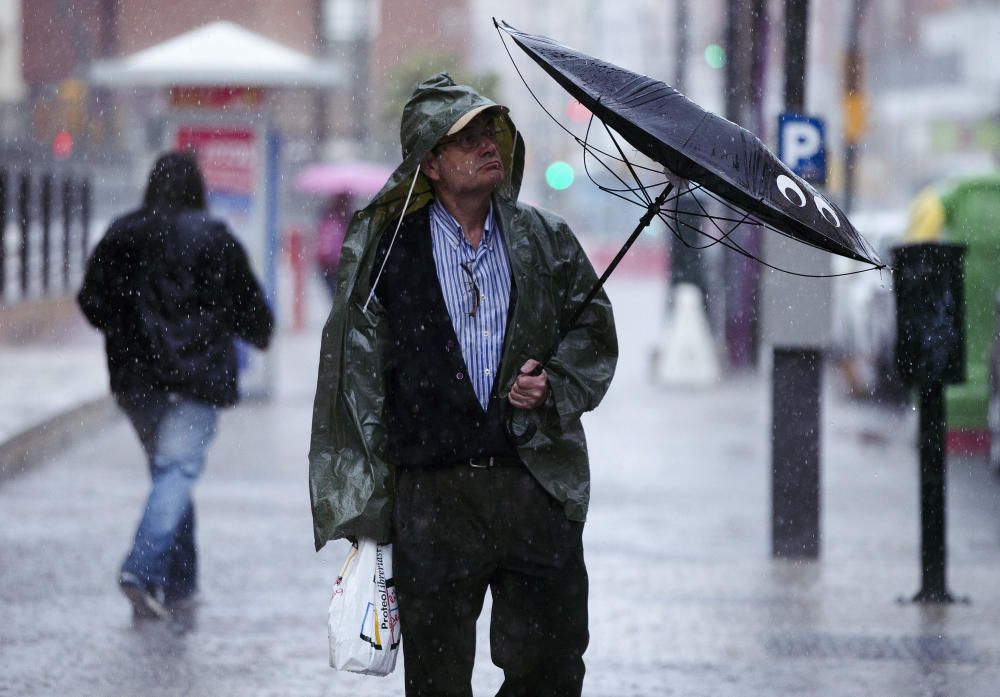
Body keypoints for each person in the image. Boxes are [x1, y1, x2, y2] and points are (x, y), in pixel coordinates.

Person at [309, 73, 618, 696]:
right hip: (433, 499)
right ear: (429, 164)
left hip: (532, 486)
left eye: (491, 134)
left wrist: (554, 383)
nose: (487, 147)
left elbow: (594, 332)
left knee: (553, 669)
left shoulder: (544, 239)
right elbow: (354, 380)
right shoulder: (389, 252)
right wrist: (367, 503)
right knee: (438, 681)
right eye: (467, 139)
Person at [78, 151, 273, 620]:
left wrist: (125, 330)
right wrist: (243, 328)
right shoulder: (216, 237)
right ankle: (141, 571)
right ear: (196, 188)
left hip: (135, 381)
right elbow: (254, 315)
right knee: (176, 473)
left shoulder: (121, 233)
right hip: (197, 380)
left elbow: (92, 301)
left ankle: (181, 584)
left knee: (168, 474)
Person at [315, 192, 352, 298]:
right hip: (332, 265)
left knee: (337, 297)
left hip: (337, 265)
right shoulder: (331, 216)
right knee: (337, 296)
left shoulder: (346, 217)